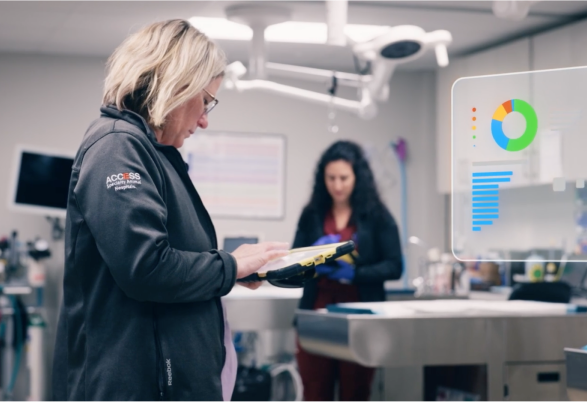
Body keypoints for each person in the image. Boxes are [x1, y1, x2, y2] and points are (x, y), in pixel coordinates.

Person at [52, 19, 288, 402]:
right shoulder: (116, 148)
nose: (205, 120)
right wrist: (228, 266)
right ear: (175, 86)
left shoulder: (150, 153)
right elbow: (147, 268)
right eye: (206, 101)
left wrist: (232, 270)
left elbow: (166, 263)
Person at [293, 140, 403, 402]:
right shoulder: (312, 214)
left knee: (355, 393)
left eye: (344, 177)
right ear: (323, 178)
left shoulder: (378, 216)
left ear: (358, 177)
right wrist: (313, 258)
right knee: (315, 392)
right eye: (331, 178)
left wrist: (355, 273)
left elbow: (394, 266)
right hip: (316, 313)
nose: (338, 185)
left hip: (361, 317)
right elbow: (293, 264)